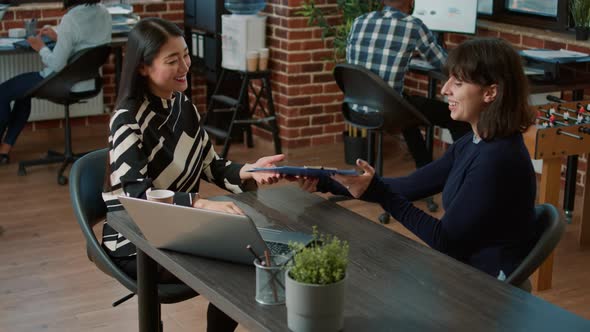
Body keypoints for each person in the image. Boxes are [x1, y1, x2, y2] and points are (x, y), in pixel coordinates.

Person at [299, 38, 540, 281]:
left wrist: (381, 194)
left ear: (490, 92)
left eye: (457, 83)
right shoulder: (473, 141)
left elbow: (444, 240)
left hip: (488, 290)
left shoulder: (497, 159)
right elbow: (410, 186)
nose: (445, 90)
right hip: (464, 271)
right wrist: (325, 179)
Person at [102, 17, 283, 331]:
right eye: (172, 60)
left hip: (179, 229)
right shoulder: (127, 119)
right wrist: (199, 204)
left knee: (250, 255)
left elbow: (210, 165)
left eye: (185, 54)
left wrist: (251, 171)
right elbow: (137, 197)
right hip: (136, 240)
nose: (185, 65)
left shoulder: (183, 106)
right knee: (239, 267)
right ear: (143, 67)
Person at [346, 0, 471, 169]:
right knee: (457, 119)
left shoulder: (360, 20)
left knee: (406, 106)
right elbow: (444, 64)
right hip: (387, 113)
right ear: (411, 2)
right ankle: (466, 169)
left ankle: (425, 168)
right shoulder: (413, 25)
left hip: (354, 109)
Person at [0, 0, 111, 165]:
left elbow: (57, 64)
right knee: (23, 95)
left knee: (3, 92)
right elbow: (86, 45)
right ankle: (4, 150)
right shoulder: (104, 13)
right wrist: (60, 38)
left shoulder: (71, 18)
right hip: (89, 82)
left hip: (61, 83)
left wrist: (41, 47)